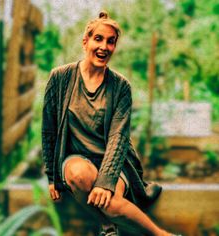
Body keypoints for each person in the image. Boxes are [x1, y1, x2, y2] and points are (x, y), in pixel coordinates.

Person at [42, 11, 177, 236]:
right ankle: (110, 227)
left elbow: (118, 137)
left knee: (110, 200)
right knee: (77, 175)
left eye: (111, 42)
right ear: (85, 42)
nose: (104, 47)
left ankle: (159, 234)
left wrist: (105, 181)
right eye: (98, 39)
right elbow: (49, 129)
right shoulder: (60, 78)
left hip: (115, 162)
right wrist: (51, 176)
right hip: (77, 159)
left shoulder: (121, 87)